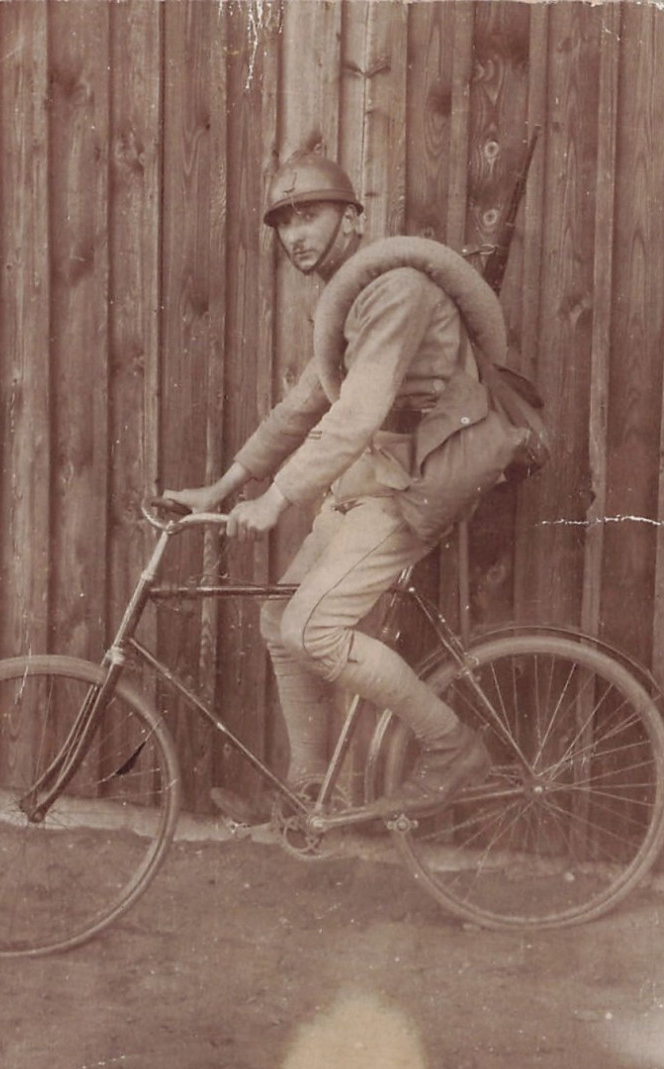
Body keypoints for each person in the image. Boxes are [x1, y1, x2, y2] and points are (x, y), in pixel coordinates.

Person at [165, 150, 494, 813]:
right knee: (279, 617)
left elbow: (355, 413)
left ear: (352, 219)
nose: (295, 236)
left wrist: (277, 498)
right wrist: (223, 487)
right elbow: (300, 407)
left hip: (417, 480)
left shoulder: (396, 292)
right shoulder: (352, 300)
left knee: (311, 630)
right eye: (284, 223)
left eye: (309, 216)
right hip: (375, 478)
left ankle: (452, 746)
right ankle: (316, 792)